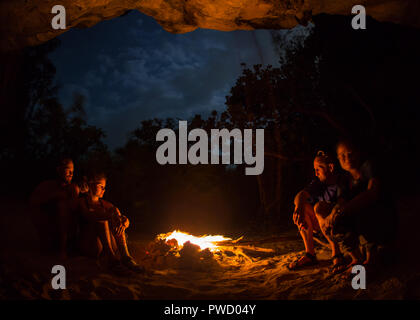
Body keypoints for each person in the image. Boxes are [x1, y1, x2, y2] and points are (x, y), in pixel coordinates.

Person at [324, 139, 396, 274]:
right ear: (338, 159)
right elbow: (341, 201)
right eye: (342, 156)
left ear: (358, 153)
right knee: (335, 221)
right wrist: (333, 214)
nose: (347, 158)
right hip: (359, 221)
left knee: (363, 207)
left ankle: (371, 260)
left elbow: (372, 194)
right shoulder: (344, 179)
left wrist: (344, 210)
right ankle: (356, 259)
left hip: (382, 219)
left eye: (350, 153)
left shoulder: (369, 167)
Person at [288, 151, 346, 271]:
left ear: (330, 167)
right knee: (302, 205)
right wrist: (299, 209)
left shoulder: (341, 182)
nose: (316, 173)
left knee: (319, 207)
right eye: (314, 169)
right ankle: (310, 254)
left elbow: (343, 204)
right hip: (323, 228)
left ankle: (337, 253)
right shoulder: (319, 183)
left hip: (341, 227)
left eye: (318, 169)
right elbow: (301, 194)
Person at [78, 172, 144, 273]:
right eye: (101, 186)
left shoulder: (105, 204)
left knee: (114, 211)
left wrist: (124, 222)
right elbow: (88, 215)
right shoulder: (82, 202)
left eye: (104, 187)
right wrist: (109, 217)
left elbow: (121, 218)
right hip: (91, 245)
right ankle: (111, 260)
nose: (104, 190)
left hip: (109, 244)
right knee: (104, 219)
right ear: (91, 184)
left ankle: (126, 257)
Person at [29, 158, 80, 258]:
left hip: (70, 234)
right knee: (61, 206)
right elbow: (34, 203)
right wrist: (56, 196)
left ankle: (70, 245)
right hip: (50, 231)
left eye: (72, 171)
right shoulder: (46, 186)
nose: (71, 173)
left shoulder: (73, 188)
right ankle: (61, 248)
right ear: (59, 169)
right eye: (68, 169)